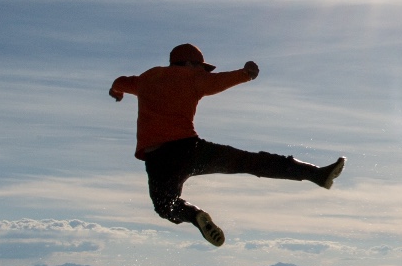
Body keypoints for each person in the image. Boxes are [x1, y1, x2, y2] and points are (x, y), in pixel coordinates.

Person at [111, 44, 344, 247]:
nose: (203, 71)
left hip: (158, 158)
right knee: (251, 162)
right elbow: (218, 82)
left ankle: (195, 215)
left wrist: (116, 92)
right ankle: (316, 174)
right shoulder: (192, 77)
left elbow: (119, 82)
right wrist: (246, 74)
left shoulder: (144, 79)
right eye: (201, 67)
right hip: (189, 150)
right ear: (190, 64)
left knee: (165, 205)